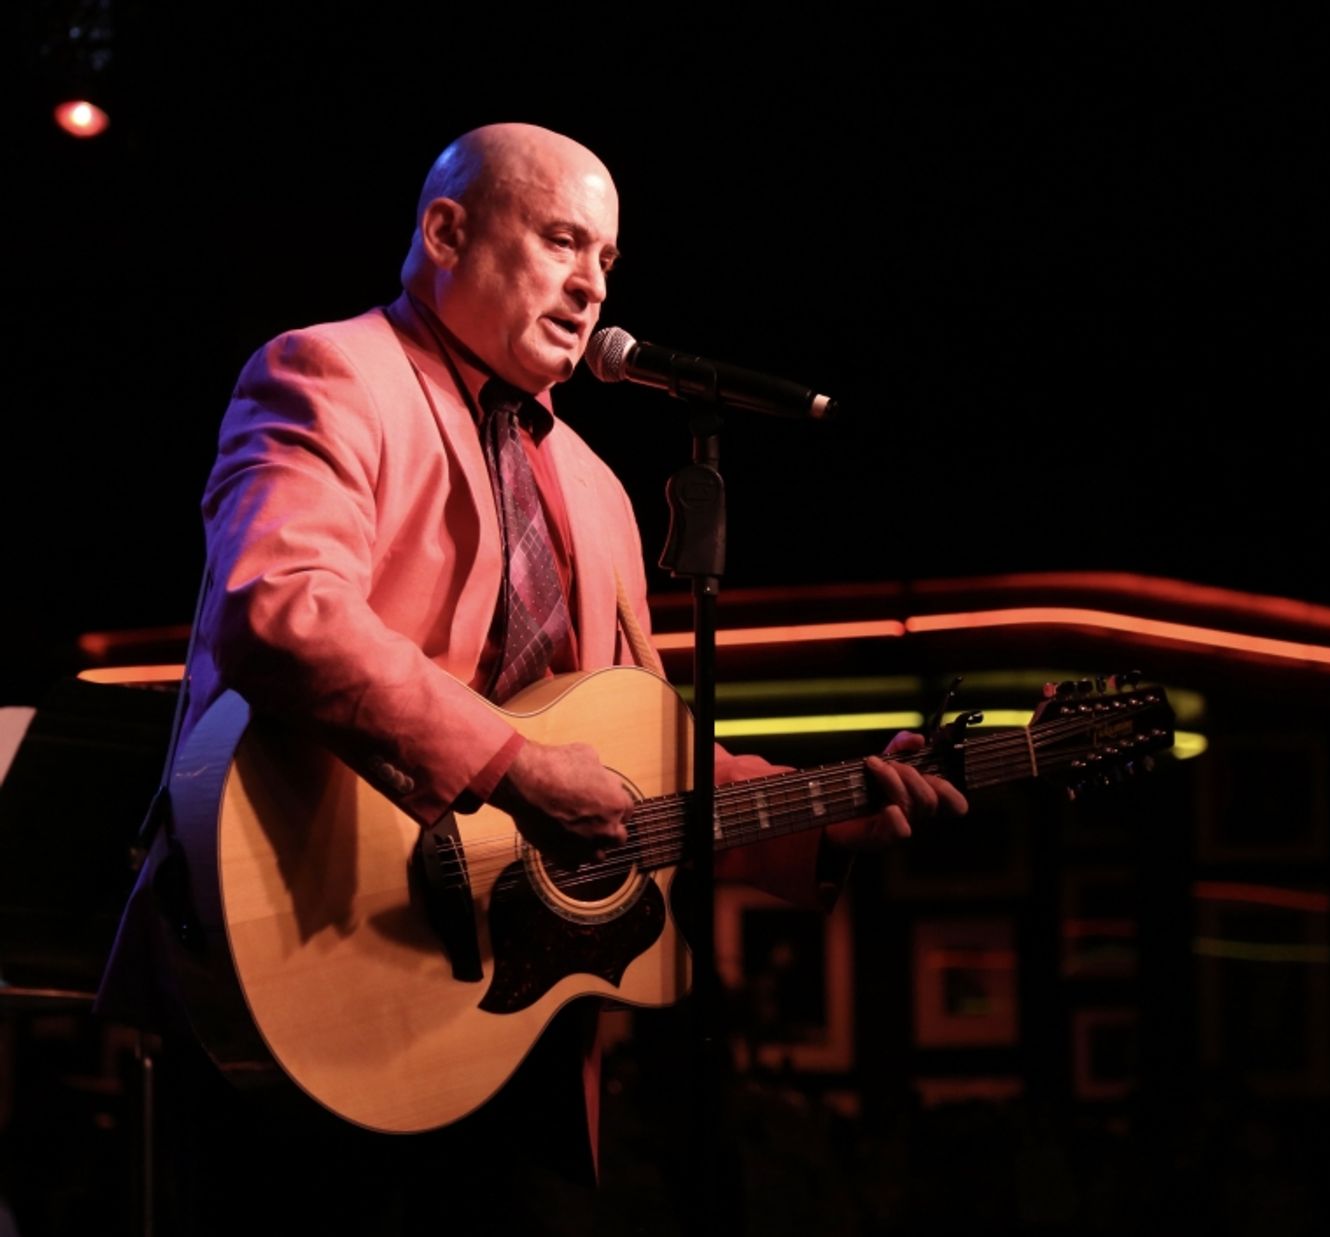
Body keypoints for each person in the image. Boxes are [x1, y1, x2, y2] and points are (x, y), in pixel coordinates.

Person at [96, 122, 967, 1235]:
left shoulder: (599, 489)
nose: (590, 283)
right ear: (445, 231)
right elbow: (282, 609)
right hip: (311, 964)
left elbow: (635, 759)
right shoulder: (331, 370)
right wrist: (513, 767)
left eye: (606, 259)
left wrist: (823, 816)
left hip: (514, 1022)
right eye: (562, 240)